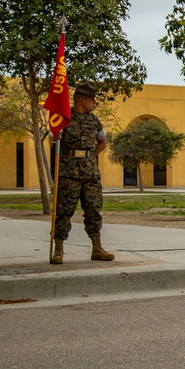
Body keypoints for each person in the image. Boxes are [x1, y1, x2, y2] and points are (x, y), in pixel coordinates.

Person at [49, 80, 115, 264]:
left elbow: (103, 142)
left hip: (89, 173)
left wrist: (89, 157)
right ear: (81, 99)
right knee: (64, 211)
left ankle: (97, 248)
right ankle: (58, 249)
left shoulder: (94, 120)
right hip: (68, 172)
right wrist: (55, 136)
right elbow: (53, 135)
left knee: (93, 210)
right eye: (92, 99)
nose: (94, 103)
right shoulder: (64, 117)